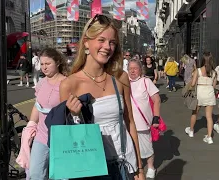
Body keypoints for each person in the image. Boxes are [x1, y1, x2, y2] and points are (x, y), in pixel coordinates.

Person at [59, 14, 145, 179]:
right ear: (86, 42)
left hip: (124, 164)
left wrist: (140, 168)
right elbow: (67, 136)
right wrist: (75, 116)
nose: (107, 46)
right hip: (92, 168)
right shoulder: (69, 84)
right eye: (101, 40)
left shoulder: (120, 78)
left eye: (112, 42)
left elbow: (129, 122)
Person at [28, 48, 68, 179]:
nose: (44, 67)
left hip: (61, 137)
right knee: (35, 173)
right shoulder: (41, 83)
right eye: (42, 64)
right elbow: (37, 106)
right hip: (42, 135)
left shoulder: (66, 83)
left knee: (60, 175)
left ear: (57, 63)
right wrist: (31, 125)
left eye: (48, 64)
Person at [128, 59, 161, 178]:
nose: (132, 71)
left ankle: (151, 167)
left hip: (143, 122)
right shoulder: (124, 82)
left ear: (140, 69)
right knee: (131, 147)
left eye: (135, 68)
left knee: (146, 147)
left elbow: (156, 99)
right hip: (129, 123)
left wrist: (156, 118)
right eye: (130, 68)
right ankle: (137, 166)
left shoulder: (146, 81)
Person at [185, 52, 217, 144]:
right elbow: (214, 86)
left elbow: (193, 84)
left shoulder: (198, 71)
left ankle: (191, 131)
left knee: (195, 113)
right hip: (210, 94)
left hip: (199, 93)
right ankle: (209, 137)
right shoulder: (214, 72)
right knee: (209, 117)